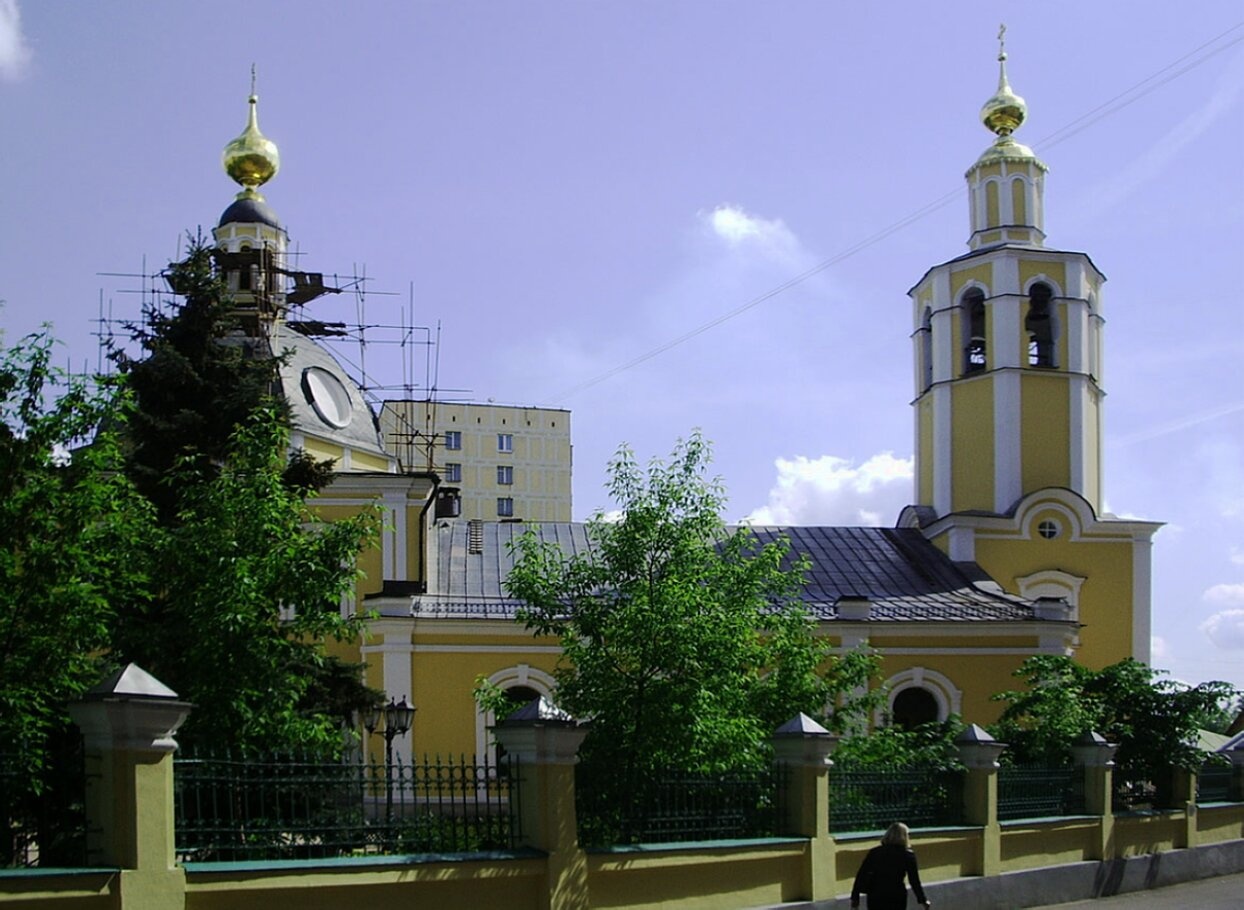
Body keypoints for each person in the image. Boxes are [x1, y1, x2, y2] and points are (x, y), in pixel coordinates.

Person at [850, 822, 930, 910]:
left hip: (876, 894)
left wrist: (855, 897)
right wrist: (923, 900)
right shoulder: (907, 855)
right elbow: (914, 880)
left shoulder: (875, 852)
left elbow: (861, 874)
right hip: (896, 895)